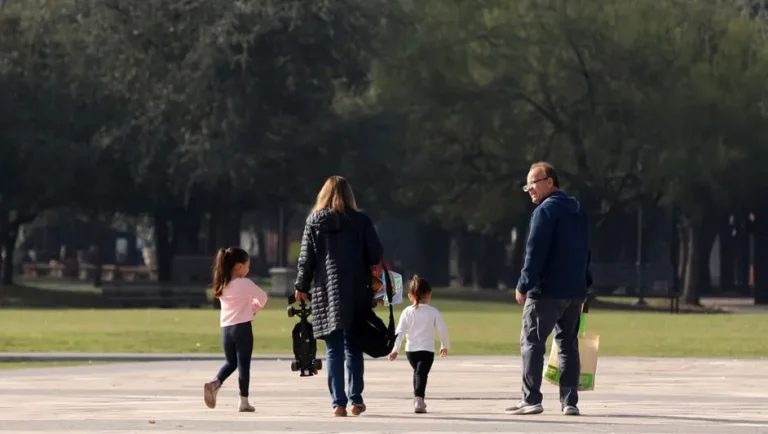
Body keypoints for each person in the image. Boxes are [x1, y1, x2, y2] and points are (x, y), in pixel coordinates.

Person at [507, 161, 592, 417]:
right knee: (567, 345)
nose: (529, 189)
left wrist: (524, 284)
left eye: (533, 183)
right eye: (528, 185)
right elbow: (586, 252)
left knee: (532, 342)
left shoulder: (545, 212)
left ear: (550, 181)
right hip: (574, 291)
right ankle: (570, 402)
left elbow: (534, 253)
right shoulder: (578, 211)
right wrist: (585, 286)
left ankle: (531, 398)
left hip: (546, 292)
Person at [294, 175, 383, 417]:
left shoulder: (314, 221)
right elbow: (375, 253)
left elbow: (307, 258)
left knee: (334, 349)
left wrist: (301, 285)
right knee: (353, 346)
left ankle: (338, 403)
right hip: (356, 288)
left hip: (327, 290)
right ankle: (356, 400)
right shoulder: (361, 221)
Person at [203, 247, 269, 412]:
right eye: (247, 265)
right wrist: (253, 308)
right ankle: (243, 402)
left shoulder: (222, 283)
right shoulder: (244, 283)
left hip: (226, 329)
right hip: (242, 328)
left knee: (230, 363)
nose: (248, 269)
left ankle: (215, 383)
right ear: (239, 266)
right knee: (243, 365)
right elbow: (263, 297)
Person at [388, 276, 449, 414]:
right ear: (429, 294)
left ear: (410, 296)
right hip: (426, 351)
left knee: (418, 373)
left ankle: (418, 398)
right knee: (421, 374)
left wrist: (395, 349)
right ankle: (419, 400)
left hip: (411, 352)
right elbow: (442, 330)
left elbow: (400, 332)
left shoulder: (407, 312)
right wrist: (444, 345)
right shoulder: (433, 312)